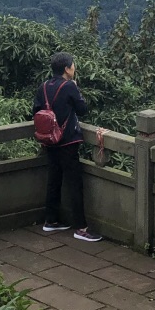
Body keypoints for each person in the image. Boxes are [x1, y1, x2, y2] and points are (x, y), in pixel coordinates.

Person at [34, 52, 102, 242]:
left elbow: (36, 111)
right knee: (74, 183)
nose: (74, 68)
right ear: (66, 68)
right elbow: (82, 110)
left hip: (49, 140)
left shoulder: (44, 86)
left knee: (54, 179)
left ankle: (51, 220)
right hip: (68, 141)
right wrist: (76, 92)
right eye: (73, 65)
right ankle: (81, 228)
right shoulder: (69, 86)